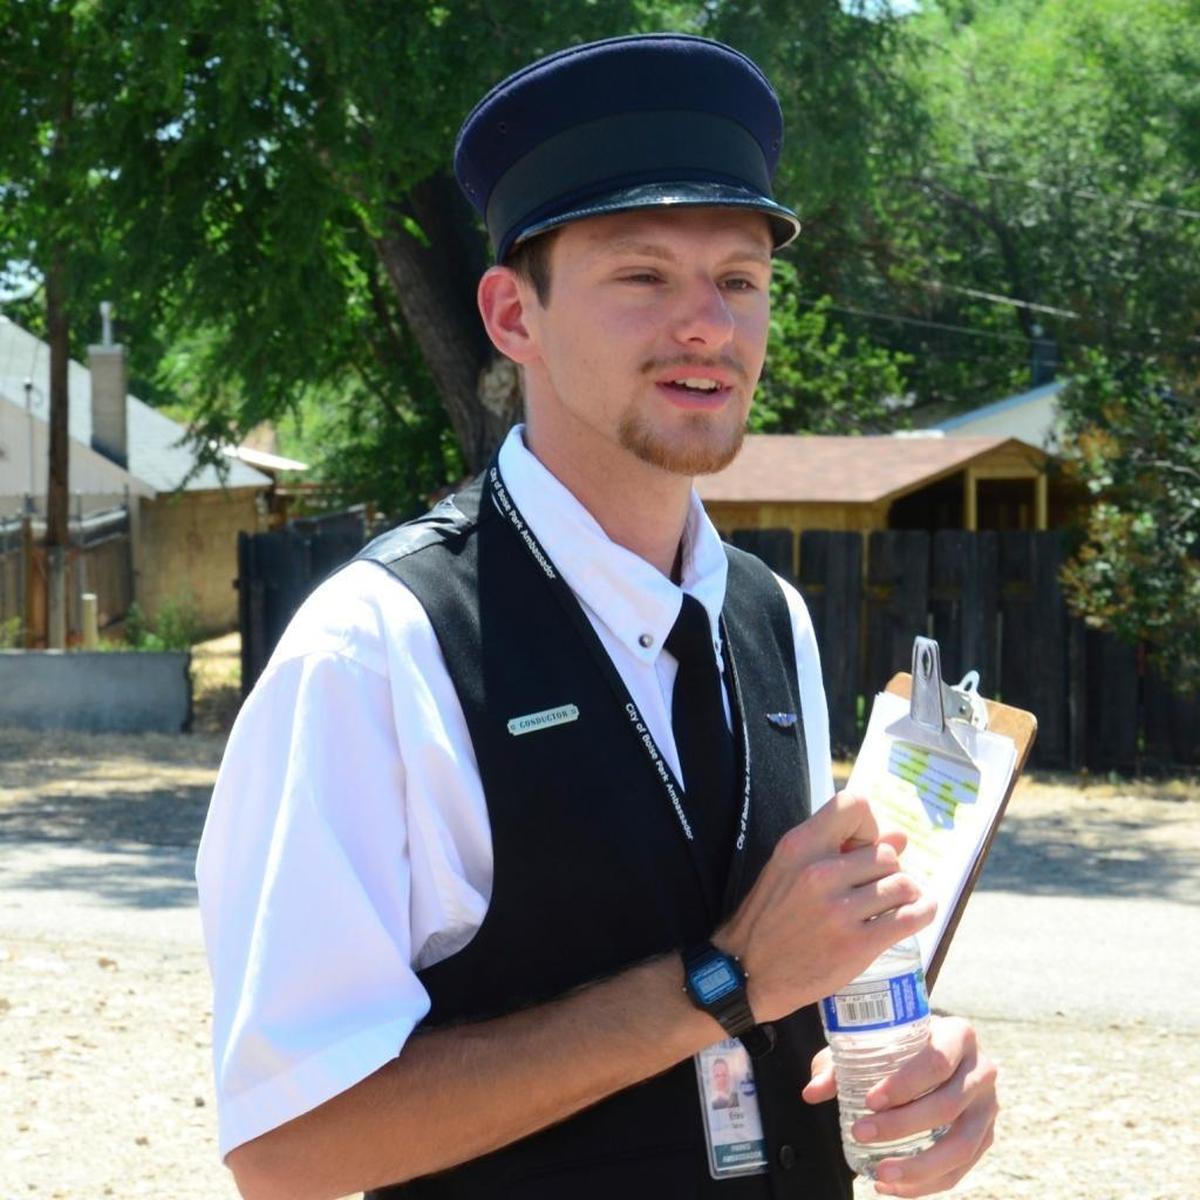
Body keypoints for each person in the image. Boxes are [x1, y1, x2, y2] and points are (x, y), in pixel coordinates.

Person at [197, 33, 998, 1200]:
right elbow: (286, 1147)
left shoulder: (770, 618)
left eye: (738, 279)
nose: (708, 326)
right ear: (511, 317)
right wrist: (717, 983)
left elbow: (800, 989)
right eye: (642, 276)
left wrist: (921, 1075)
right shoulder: (379, 649)